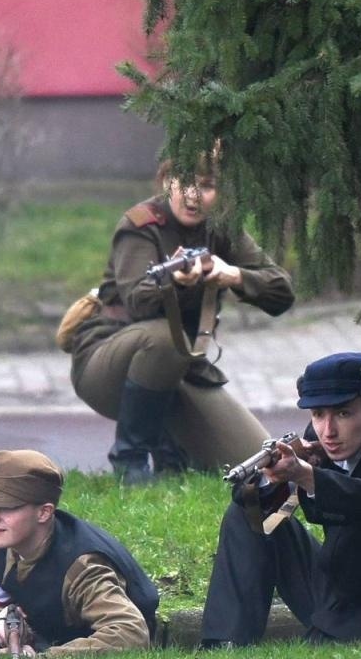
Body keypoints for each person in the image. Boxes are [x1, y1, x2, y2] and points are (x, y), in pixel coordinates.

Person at [200, 351, 361, 646]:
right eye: (317, 414)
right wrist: (268, 478)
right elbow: (249, 503)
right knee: (248, 519)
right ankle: (225, 644)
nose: (328, 431)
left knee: (320, 646)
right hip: (344, 587)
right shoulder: (319, 438)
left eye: (343, 413)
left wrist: (308, 475)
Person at [68, 155, 295, 484]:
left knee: (257, 461)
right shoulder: (140, 225)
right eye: (184, 182)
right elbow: (137, 301)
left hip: (180, 371)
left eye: (206, 186)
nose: (192, 195)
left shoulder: (222, 229)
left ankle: (175, 453)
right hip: (107, 366)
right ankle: (129, 458)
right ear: (165, 181)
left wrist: (232, 275)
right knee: (163, 338)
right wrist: (173, 283)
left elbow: (282, 293)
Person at [0, 449, 159, 657]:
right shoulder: (3, 545)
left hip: (77, 640)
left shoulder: (82, 567)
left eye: (5, 508)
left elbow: (131, 632)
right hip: (46, 629)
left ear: (44, 512)